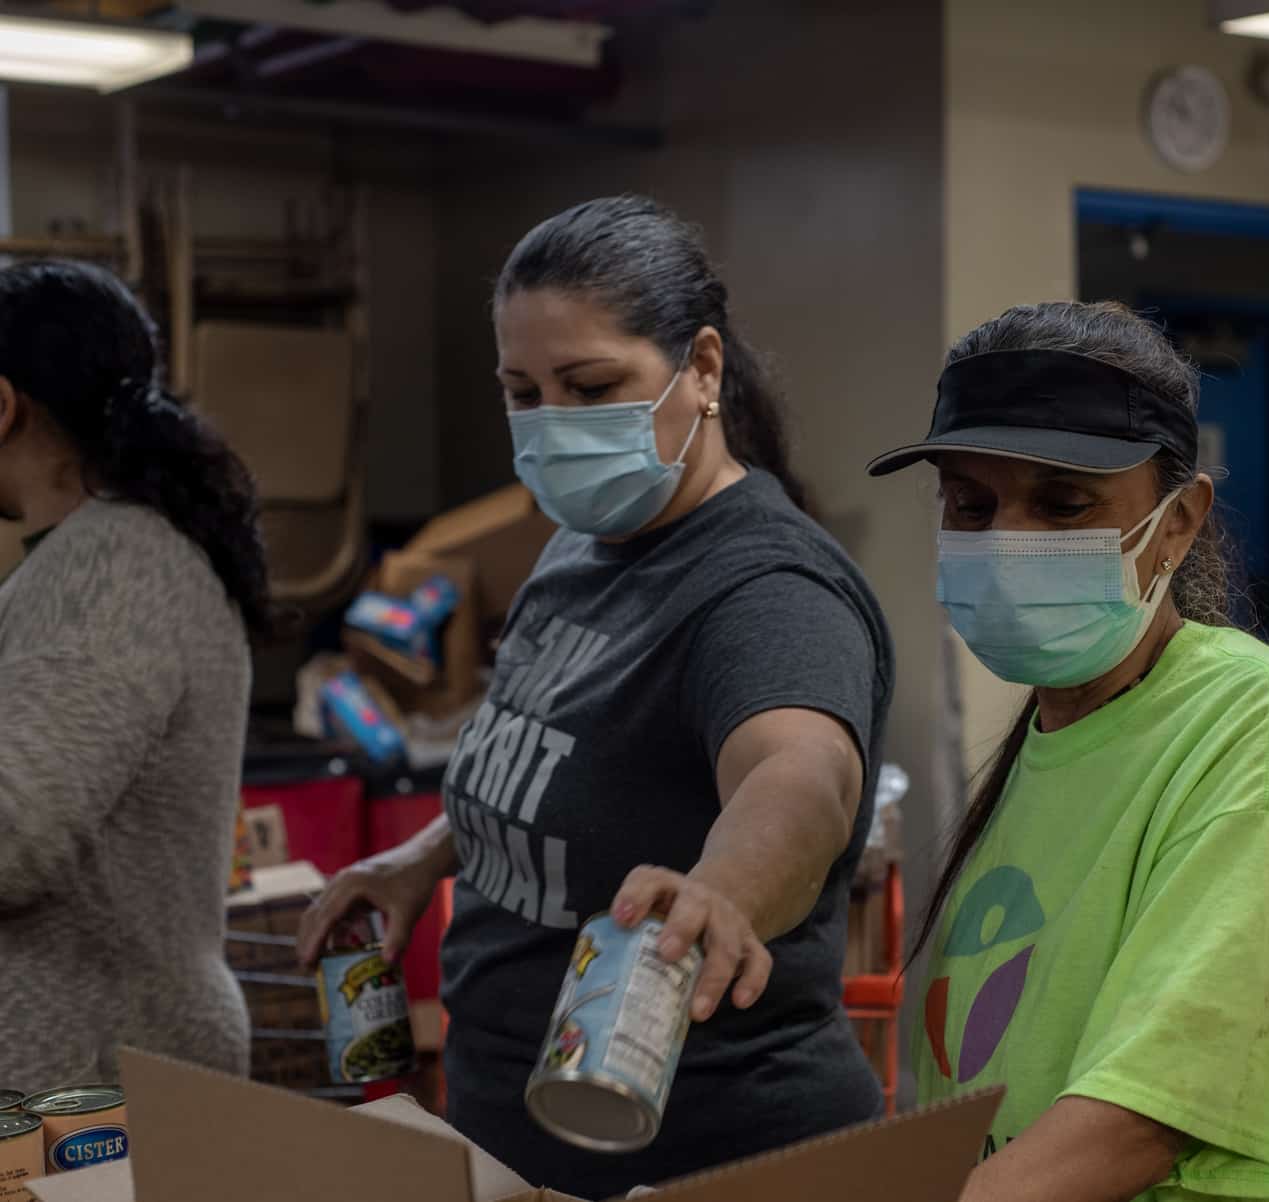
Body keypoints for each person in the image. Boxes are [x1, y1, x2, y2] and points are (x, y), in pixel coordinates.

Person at [300, 196, 894, 1197]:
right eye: (522, 391)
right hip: (515, 1139)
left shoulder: (768, 590)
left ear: (702, 368)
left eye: (591, 386)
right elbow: (563, 759)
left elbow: (802, 780)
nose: (552, 423)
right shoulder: (581, 545)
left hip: (703, 1156)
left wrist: (725, 890)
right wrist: (421, 858)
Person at [868, 301, 1269, 1202]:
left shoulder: (1267, 729)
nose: (1007, 546)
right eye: (971, 505)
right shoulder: (1043, 746)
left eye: (1063, 505)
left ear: (1179, 521)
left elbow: (1143, 1116)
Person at [0, 260, 266, 1087]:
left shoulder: (114, 563)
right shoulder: (72, 564)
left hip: (90, 1083)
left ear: (3, 405)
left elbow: (11, 837)